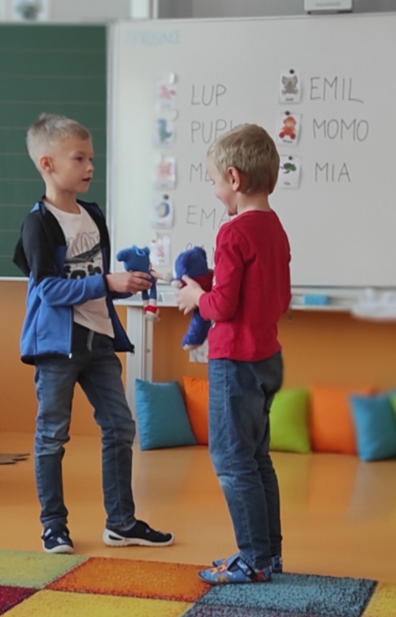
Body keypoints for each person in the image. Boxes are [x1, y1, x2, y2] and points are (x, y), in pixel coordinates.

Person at [11, 114, 173, 555]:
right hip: (57, 348)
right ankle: (53, 526)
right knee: (52, 436)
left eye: (91, 158)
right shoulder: (38, 224)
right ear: (47, 164)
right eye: (79, 158)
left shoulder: (93, 216)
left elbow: (95, 284)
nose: (89, 167)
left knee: (120, 426)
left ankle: (121, 523)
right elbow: (48, 290)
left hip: (99, 341)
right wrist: (107, 282)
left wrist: (126, 285)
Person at [175, 125, 292, 584]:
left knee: (231, 460)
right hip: (266, 358)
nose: (214, 191)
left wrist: (195, 299)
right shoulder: (274, 227)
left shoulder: (233, 232)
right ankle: (268, 553)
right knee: (257, 459)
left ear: (234, 178)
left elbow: (222, 306)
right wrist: (212, 290)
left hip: (234, 361)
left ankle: (253, 559)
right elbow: (275, 296)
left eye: (214, 181)